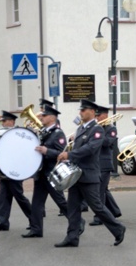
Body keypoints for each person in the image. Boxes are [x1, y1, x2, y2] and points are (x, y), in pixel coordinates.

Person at [54, 99, 126, 247]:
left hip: (89, 175)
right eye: (80, 110)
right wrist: (67, 158)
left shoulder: (97, 129)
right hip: (76, 175)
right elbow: (76, 150)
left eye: (83, 110)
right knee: (73, 208)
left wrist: (70, 155)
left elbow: (91, 149)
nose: (80, 112)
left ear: (92, 112)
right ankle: (72, 237)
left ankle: (118, 228)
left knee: (97, 207)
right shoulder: (80, 129)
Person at [22, 104, 68, 238]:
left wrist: (47, 151)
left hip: (51, 173)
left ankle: (77, 221)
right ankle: (36, 229)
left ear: (52, 118)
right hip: (41, 173)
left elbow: (62, 152)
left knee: (61, 202)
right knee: (37, 203)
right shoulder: (43, 131)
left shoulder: (58, 133)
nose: (41, 117)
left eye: (44, 115)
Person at [0, 111, 32, 231]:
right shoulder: (3, 134)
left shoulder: (19, 134)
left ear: (12, 122)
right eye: (2, 121)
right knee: (4, 197)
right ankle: (3, 222)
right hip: (4, 170)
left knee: (19, 196)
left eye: (4, 121)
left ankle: (34, 219)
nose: (2, 123)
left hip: (15, 171)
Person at [90, 105, 122, 226]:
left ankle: (99, 217)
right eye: (96, 115)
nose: (97, 118)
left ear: (105, 115)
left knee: (99, 191)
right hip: (96, 163)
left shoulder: (111, 128)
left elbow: (107, 143)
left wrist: (97, 133)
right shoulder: (96, 128)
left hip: (104, 164)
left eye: (99, 115)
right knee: (104, 190)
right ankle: (114, 211)